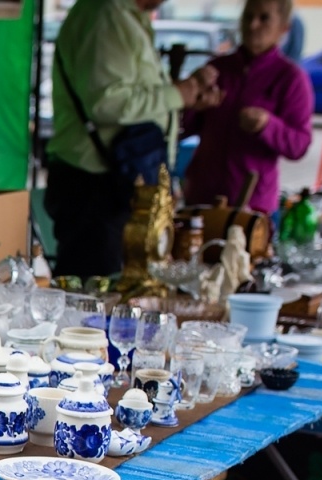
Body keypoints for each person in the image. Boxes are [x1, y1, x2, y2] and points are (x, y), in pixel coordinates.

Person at [47, 0, 223, 279]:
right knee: (92, 294)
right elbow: (106, 101)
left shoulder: (128, 16)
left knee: (123, 290)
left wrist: (188, 93)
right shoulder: (104, 15)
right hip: (94, 187)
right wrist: (179, 93)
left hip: (119, 181)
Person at [182, 0, 314, 215]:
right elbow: (180, 129)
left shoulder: (290, 79)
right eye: (248, 17)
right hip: (201, 198)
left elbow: (299, 145)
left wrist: (267, 126)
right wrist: (190, 99)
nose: (253, 25)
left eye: (264, 18)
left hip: (252, 205)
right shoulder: (217, 69)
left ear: (284, 28)